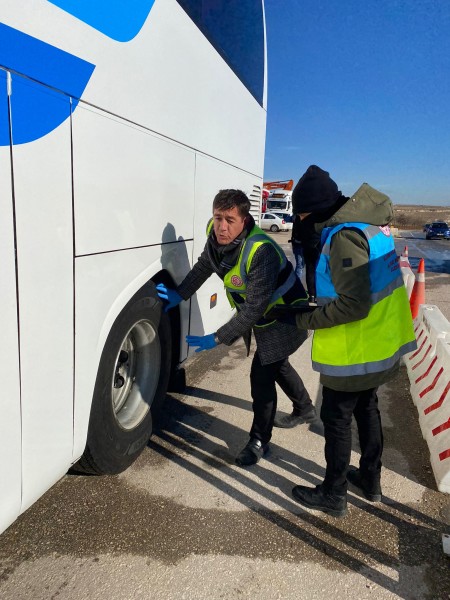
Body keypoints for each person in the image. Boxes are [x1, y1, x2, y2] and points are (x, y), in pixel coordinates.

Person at [277, 165, 416, 517]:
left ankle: (333, 493)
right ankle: (370, 479)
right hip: (379, 343)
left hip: (356, 349)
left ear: (320, 208)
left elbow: (353, 305)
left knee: (336, 419)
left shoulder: (343, 237)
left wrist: (303, 318)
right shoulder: (371, 227)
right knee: (367, 409)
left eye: (304, 213)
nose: (301, 220)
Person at [156, 189, 316, 467]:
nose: (221, 226)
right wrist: (179, 294)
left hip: (285, 317)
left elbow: (255, 308)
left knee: (262, 377)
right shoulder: (215, 236)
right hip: (264, 316)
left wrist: (217, 337)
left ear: (245, 221)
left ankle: (258, 441)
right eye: (218, 217)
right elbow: (204, 267)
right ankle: (304, 408)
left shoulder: (260, 250)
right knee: (277, 365)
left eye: (230, 219)